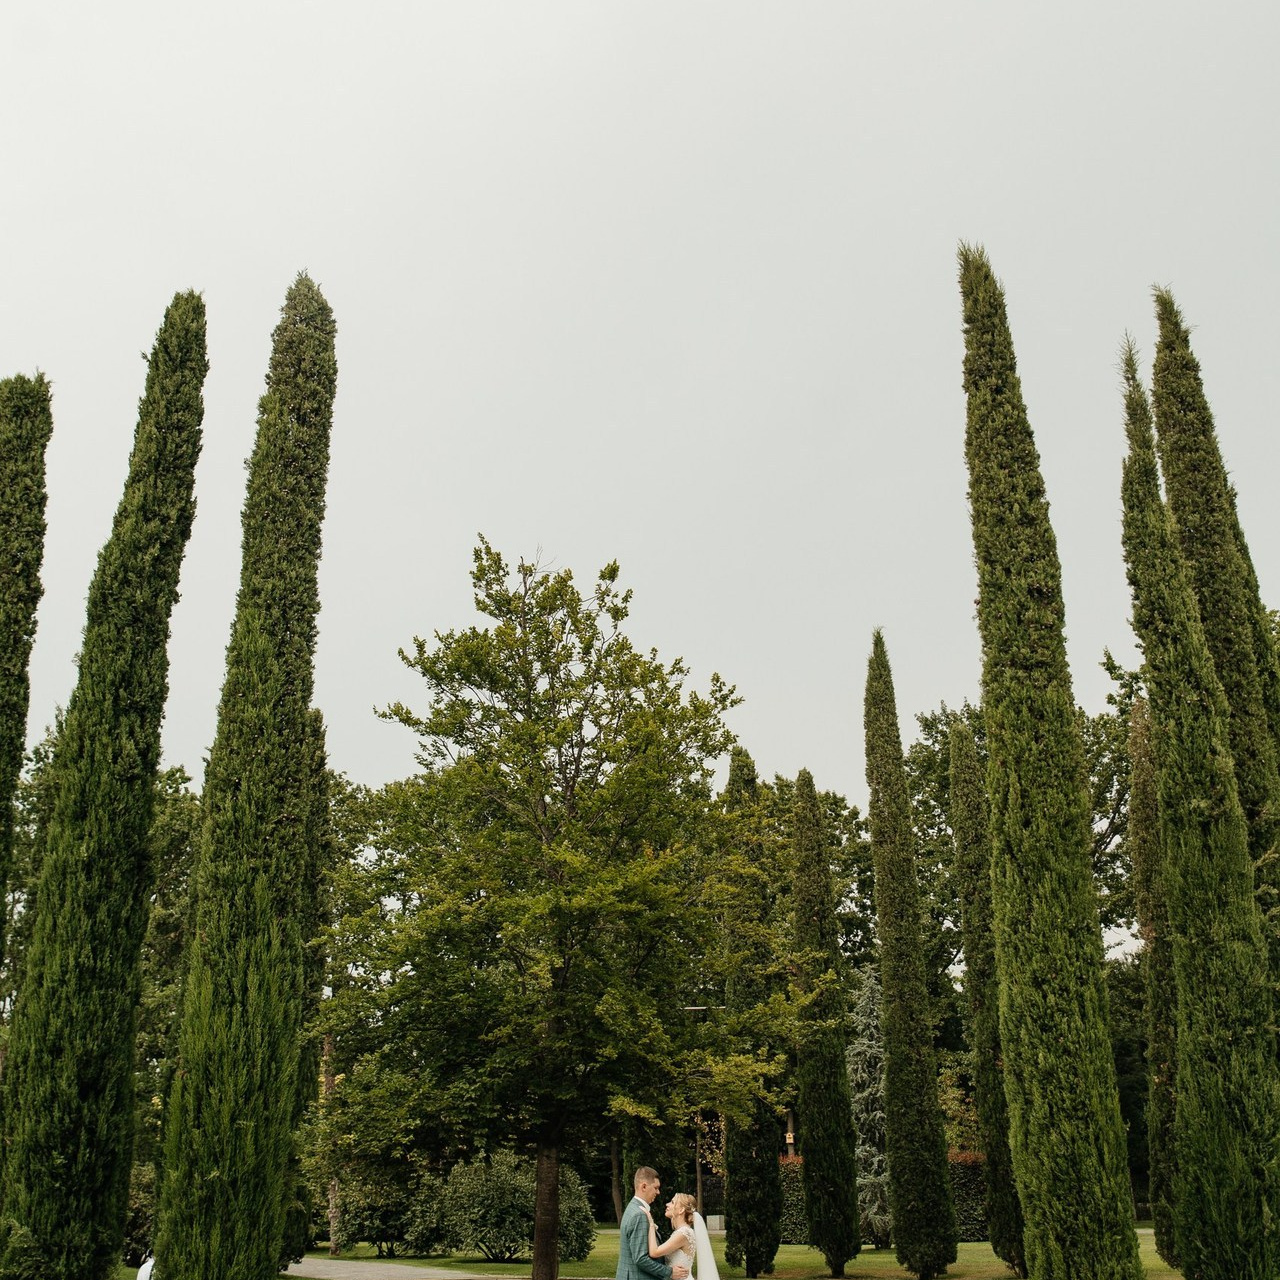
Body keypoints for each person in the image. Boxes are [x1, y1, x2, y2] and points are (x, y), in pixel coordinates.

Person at [616, 1167, 688, 1280]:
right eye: (656, 1188)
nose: (658, 1192)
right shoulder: (639, 1214)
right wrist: (669, 1272)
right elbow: (640, 1259)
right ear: (644, 1187)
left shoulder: (633, 1208)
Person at [644, 1191, 720, 1280]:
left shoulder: (683, 1234)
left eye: (672, 1202)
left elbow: (654, 1252)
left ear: (681, 1210)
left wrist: (651, 1225)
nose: (667, 1204)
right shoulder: (682, 1232)